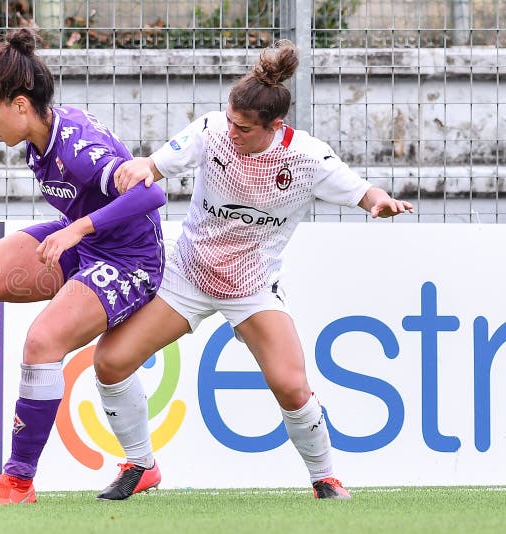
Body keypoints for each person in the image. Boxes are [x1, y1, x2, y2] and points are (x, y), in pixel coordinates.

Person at [92, 39, 414, 501]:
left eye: (243, 127)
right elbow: (156, 165)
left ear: (275, 126)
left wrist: (380, 202)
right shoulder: (212, 132)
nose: (231, 132)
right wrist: (138, 168)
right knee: (110, 361)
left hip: (252, 288)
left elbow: (365, 193)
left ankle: (325, 478)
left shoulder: (308, 157)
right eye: (229, 121)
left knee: (290, 384)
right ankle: (140, 464)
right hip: (187, 277)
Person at [0, 27, 166, 506]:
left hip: (129, 261)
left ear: (20, 105)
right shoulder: (38, 137)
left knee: (42, 342)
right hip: (86, 242)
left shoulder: (78, 149)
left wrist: (77, 229)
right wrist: (77, 230)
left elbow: (151, 192)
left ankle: (18, 483)